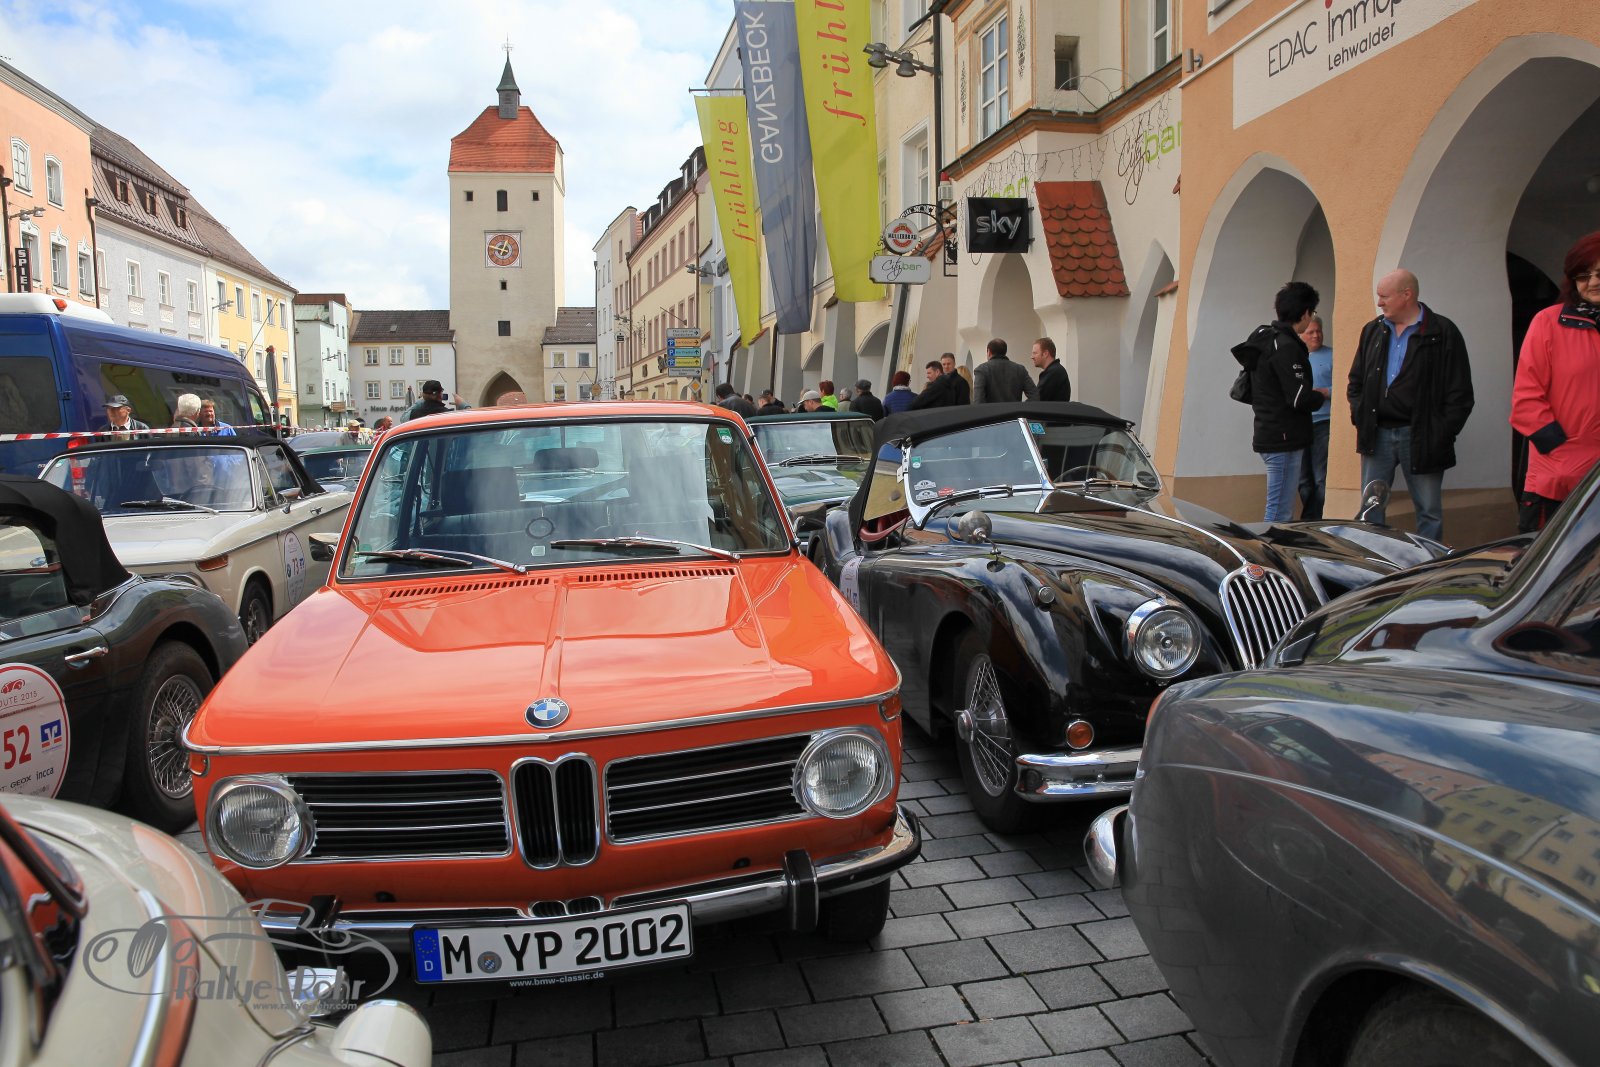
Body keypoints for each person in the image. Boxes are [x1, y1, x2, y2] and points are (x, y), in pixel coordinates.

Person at [1347, 268, 1474, 543]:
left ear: (1407, 295)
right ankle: (1371, 558)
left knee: (1429, 511)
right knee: (1370, 508)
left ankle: (1428, 563)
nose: (1379, 302)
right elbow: (1356, 381)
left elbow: (1460, 392)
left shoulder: (1443, 332)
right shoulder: (1373, 330)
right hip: (1377, 433)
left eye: (1384, 296)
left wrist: (1441, 432)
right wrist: (1360, 414)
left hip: (1422, 435)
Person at [1510, 232, 1600, 533]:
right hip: (1558, 480)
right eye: (1583, 275)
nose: (1593, 282)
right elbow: (1526, 400)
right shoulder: (1548, 323)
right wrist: (1561, 454)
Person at [1232, 281, 1327, 523]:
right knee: (1279, 512)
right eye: (1312, 312)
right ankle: (1267, 547)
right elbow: (1298, 397)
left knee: (1280, 508)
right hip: (1283, 436)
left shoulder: (1267, 339)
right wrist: (1321, 395)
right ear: (1305, 313)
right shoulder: (1286, 347)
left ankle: (1273, 544)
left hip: (1271, 430)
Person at [1296, 314, 1334, 519]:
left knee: (1321, 477)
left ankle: (1316, 519)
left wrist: (1327, 392)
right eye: (1311, 332)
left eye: (1318, 331)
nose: (1316, 335)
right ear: (1301, 335)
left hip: (1324, 422)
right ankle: (1310, 519)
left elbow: (1347, 387)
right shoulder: (1295, 357)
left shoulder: (1332, 355)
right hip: (1300, 423)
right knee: (1303, 479)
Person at [974, 338, 1036, 404]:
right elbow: (1035, 396)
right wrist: (1021, 408)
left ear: (989, 352)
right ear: (1005, 352)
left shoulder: (981, 370)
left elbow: (978, 401)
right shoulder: (1020, 369)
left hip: (991, 411)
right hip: (1014, 410)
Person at [1032, 337, 1071, 403]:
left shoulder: (1054, 372)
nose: (1032, 357)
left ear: (1045, 354)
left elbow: (1037, 399)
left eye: (1035, 353)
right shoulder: (1055, 370)